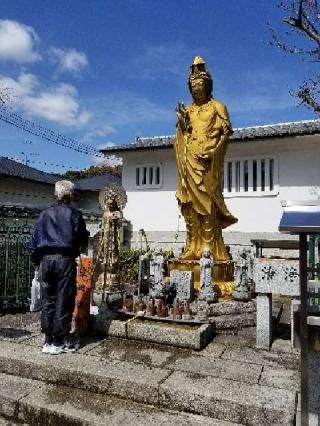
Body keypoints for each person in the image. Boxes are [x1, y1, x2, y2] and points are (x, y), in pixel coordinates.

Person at [175, 56, 237, 260]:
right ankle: (192, 246)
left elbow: (227, 133)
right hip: (189, 161)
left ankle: (209, 247)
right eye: (193, 87)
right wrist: (182, 124)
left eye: (200, 85)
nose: (197, 90)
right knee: (189, 205)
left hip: (207, 163)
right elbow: (182, 136)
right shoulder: (189, 110)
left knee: (207, 204)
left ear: (208, 86)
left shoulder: (217, 106)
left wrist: (214, 152)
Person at [29, 180, 88, 355]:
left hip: (45, 261)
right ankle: (59, 341)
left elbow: (33, 243)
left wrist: (37, 262)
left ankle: (47, 340)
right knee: (64, 299)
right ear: (70, 195)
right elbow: (82, 239)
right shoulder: (74, 214)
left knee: (48, 300)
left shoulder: (44, 214)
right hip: (64, 259)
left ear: (56, 195)